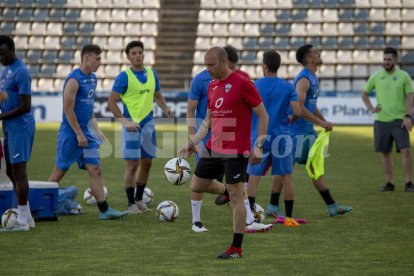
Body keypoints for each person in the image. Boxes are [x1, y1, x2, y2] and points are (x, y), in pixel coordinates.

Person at [180, 47, 269, 259]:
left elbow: (263, 115)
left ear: (224, 62)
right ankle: (227, 191)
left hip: (235, 150)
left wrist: (258, 145)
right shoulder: (211, 86)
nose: (208, 69)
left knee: (238, 198)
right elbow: (209, 121)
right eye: (206, 65)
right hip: (213, 148)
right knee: (196, 185)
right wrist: (193, 142)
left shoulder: (243, 83)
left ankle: (236, 248)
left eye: (211, 65)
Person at [48, 44, 128, 220]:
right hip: (71, 134)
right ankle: (39, 204)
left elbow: (89, 107)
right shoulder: (73, 80)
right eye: (97, 59)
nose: (100, 62)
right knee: (59, 172)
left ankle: (104, 210)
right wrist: (78, 133)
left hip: (87, 134)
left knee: (95, 169)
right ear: (86, 59)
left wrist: (95, 129)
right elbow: (68, 110)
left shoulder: (92, 79)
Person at [276, 44, 352, 217]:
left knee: (314, 166)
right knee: (285, 169)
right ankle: (273, 204)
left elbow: (311, 104)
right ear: (308, 58)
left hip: (307, 131)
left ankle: (332, 206)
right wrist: (320, 122)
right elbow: (300, 109)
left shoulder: (312, 77)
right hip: (295, 132)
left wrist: (323, 121)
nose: (319, 53)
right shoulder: (303, 79)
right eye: (315, 52)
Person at [107, 40, 173, 214]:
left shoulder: (152, 73)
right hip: (132, 125)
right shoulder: (124, 76)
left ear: (144, 54)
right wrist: (125, 122)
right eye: (133, 53)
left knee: (147, 163)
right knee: (132, 165)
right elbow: (111, 102)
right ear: (128, 57)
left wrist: (165, 108)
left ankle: (139, 199)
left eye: (139, 52)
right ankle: (131, 205)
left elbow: (157, 95)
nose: (137, 55)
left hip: (148, 123)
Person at [246, 51, 302, 227]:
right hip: (282, 137)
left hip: (259, 138)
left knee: (253, 177)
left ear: (265, 66)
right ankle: (289, 218)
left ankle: (249, 217)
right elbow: (298, 111)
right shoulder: (287, 86)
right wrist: (291, 120)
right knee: (287, 177)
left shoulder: (255, 85)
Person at [361, 47, 414, 192]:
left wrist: (408, 116)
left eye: (389, 59)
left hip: (399, 120)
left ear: (395, 60)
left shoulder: (403, 76)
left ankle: (409, 183)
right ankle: (389, 183)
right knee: (385, 153)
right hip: (381, 121)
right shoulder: (376, 76)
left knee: (406, 151)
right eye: (384, 59)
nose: (386, 62)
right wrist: (371, 108)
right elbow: (364, 93)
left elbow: (411, 97)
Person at [0, 35, 36, 231]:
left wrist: (2, 116)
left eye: (4, 54)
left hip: (21, 127)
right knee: (9, 171)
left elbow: (26, 106)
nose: (1, 58)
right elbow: (4, 97)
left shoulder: (21, 71)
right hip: (9, 127)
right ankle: (27, 216)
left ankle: (22, 221)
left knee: (20, 171)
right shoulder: (5, 71)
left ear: (12, 50)